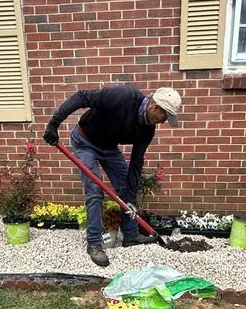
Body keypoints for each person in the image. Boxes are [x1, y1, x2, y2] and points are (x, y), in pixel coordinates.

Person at [43, 84, 181, 267]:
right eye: (164, 117)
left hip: (108, 148)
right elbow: (82, 97)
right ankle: (94, 244)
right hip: (85, 141)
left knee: (126, 188)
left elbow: (136, 163)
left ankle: (131, 236)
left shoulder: (147, 129)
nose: (163, 122)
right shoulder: (123, 96)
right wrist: (54, 124)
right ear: (155, 108)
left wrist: (130, 197)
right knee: (94, 190)